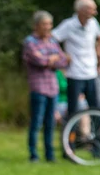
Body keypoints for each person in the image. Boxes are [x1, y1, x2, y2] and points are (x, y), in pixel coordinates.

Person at [22, 11, 69, 162]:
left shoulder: (52, 41)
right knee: (36, 122)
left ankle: (50, 155)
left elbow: (64, 61)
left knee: (51, 123)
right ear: (36, 26)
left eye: (50, 24)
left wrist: (51, 60)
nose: (48, 27)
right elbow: (39, 61)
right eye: (45, 24)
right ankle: (33, 154)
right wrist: (52, 59)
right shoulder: (30, 42)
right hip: (38, 88)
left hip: (52, 88)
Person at [52, 0, 100, 117]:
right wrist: (62, 55)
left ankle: (94, 134)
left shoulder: (93, 23)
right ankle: (70, 134)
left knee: (94, 106)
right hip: (75, 72)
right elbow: (52, 39)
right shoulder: (68, 25)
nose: (95, 13)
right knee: (73, 107)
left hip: (91, 72)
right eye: (92, 9)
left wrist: (99, 50)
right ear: (81, 10)